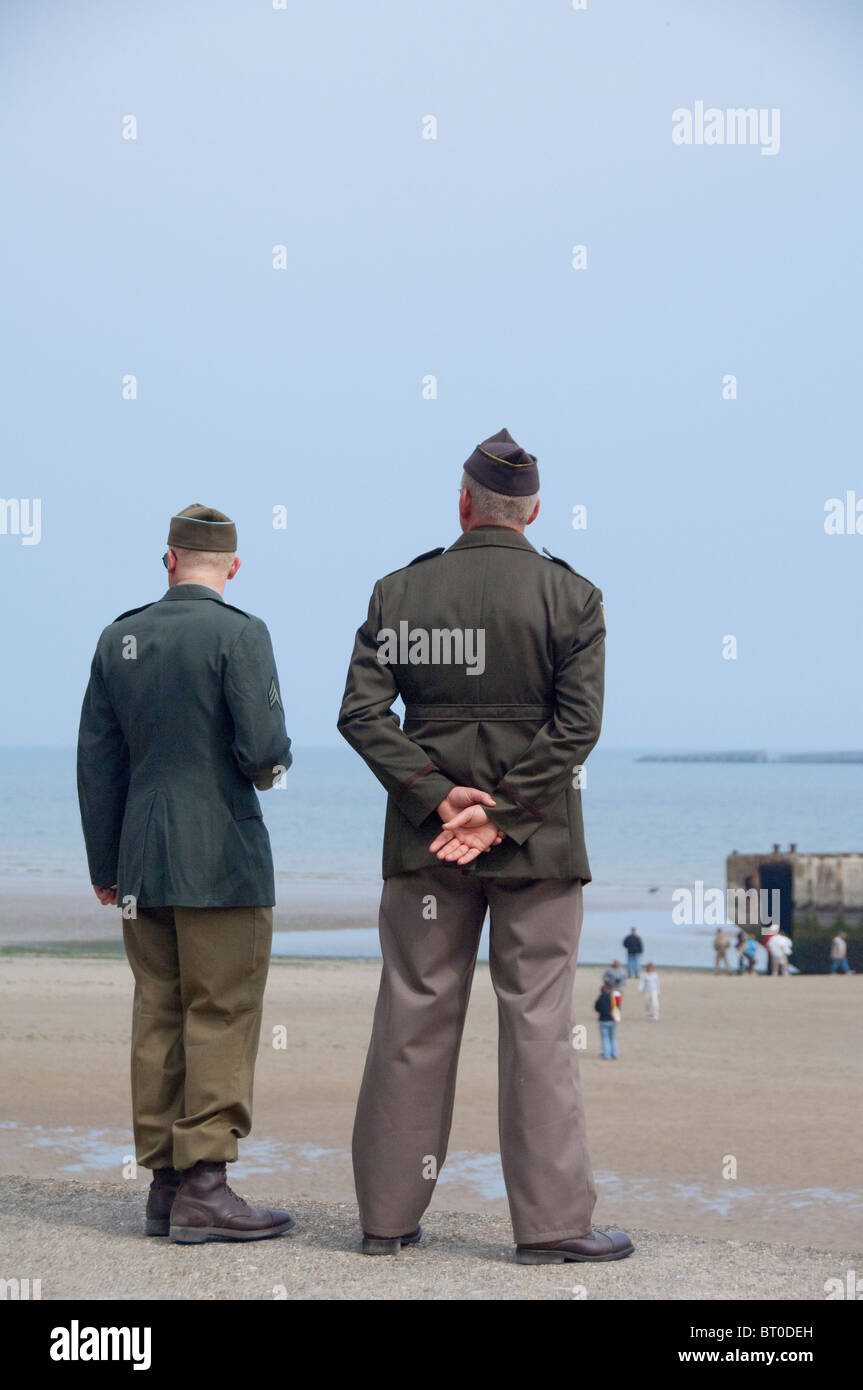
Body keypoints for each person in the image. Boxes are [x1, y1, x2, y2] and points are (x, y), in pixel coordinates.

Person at [338, 428, 633, 1266]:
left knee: (411, 1015)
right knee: (538, 1024)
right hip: (534, 843)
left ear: (462, 505)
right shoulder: (572, 597)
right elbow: (578, 728)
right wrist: (501, 813)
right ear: (532, 511)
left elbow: (361, 717)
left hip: (427, 841)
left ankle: (384, 1223)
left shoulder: (400, 592)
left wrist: (441, 798)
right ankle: (550, 1229)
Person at [77, 504, 295, 1245]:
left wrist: (105, 864)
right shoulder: (241, 633)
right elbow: (263, 747)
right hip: (221, 857)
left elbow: (98, 762)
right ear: (231, 567)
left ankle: (164, 1187)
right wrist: (266, 767)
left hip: (140, 855)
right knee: (220, 1011)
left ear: (167, 560)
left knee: (157, 1013)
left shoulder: (119, 637)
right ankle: (205, 1184)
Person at [595, 982, 618, 1058]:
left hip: (603, 1020)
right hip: (612, 1020)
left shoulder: (600, 998)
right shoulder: (613, 999)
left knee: (605, 1038)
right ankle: (615, 1053)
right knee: (613, 1037)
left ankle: (607, 1055)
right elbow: (617, 1008)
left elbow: (597, 1008)